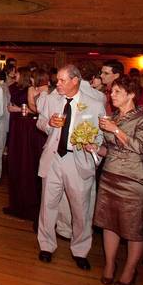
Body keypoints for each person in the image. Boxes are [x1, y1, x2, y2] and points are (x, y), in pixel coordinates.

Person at [35, 64, 106, 269]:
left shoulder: (94, 104)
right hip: (54, 157)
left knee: (80, 208)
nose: (58, 84)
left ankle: (80, 250)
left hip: (78, 159)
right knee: (48, 204)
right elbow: (40, 122)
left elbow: (100, 134)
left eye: (62, 80)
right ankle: (46, 245)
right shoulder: (51, 99)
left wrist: (94, 146)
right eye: (58, 80)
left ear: (75, 81)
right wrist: (49, 124)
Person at [92, 76, 143, 285]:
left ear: (131, 94)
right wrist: (94, 148)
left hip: (133, 180)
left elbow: (140, 147)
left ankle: (129, 269)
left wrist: (114, 130)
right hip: (109, 176)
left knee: (133, 228)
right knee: (109, 224)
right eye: (111, 92)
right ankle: (110, 264)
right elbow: (111, 150)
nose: (112, 96)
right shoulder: (113, 117)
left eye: (117, 92)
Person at [3, 68, 48, 219]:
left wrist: (25, 110)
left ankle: (32, 201)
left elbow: (36, 110)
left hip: (31, 129)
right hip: (22, 126)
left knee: (30, 163)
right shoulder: (24, 88)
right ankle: (23, 200)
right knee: (22, 161)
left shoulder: (40, 91)